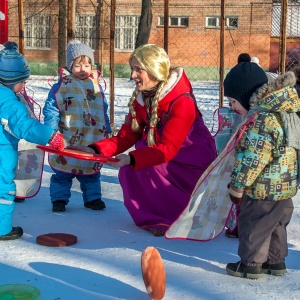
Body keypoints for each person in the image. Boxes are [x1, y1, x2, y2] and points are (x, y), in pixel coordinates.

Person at [75, 44, 217, 236]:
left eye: (138, 69)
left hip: (189, 159)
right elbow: (127, 135)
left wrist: (132, 158)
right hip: (164, 154)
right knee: (130, 169)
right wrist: (95, 150)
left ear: (154, 70)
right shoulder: (143, 99)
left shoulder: (182, 101)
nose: (132, 75)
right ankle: (157, 218)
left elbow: (167, 148)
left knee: (141, 163)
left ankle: (176, 219)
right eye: (132, 69)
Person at [223, 62, 300, 279]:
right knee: (276, 224)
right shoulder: (283, 112)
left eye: (233, 101)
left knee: (254, 224)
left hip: (263, 188)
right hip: (285, 186)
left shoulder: (261, 120)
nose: (232, 108)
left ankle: (251, 264)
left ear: (246, 96)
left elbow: (252, 159)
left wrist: (237, 186)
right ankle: (275, 262)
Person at [0, 41, 64, 240]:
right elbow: (24, 126)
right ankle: (2, 229)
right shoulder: (10, 103)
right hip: (2, 152)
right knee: (4, 188)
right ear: (11, 81)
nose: (24, 85)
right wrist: (50, 135)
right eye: (23, 81)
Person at [43, 39, 111, 212]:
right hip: (67, 135)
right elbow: (52, 108)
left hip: (91, 135)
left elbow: (102, 108)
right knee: (63, 171)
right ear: (70, 65)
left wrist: (107, 128)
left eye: (87, 65)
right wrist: (51, 131)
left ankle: (92, 198)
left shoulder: (95, 85)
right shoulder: (62, 85)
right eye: (78, 65)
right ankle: (59, 199)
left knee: (91, 170)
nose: (83, 70)